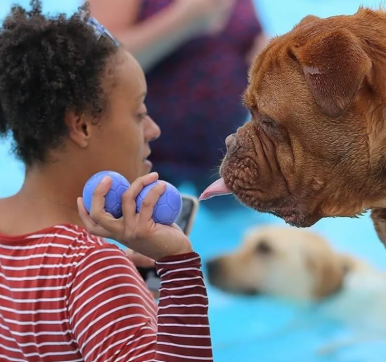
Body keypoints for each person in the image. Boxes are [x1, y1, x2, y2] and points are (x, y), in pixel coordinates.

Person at [0, 2, 213, 361]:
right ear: (81, 125)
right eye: (139, 113)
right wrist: (177, 265)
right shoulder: (89, 267)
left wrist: (138, 298)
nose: (153, 129)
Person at [88, 0, 268, 212]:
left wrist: (264, 53)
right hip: (148, 154)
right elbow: (98, 67)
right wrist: (183, 22)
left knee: (237, 230)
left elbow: (249, 32)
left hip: (225, 149)